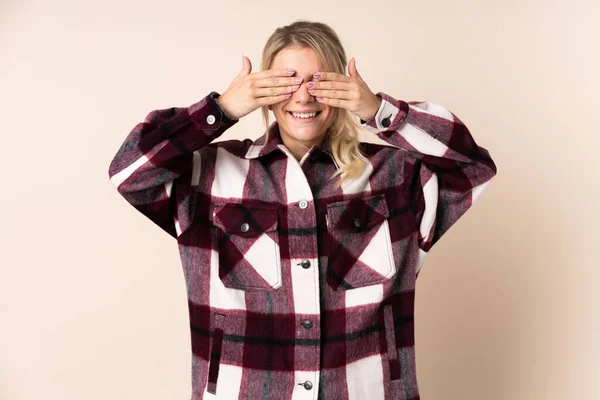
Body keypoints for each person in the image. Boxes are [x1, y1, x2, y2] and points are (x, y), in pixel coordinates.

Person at [108, 19, 497, 400]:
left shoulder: (394, 177)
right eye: (287, 81)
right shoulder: (209, 176)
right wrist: (221, 109)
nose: (303, 97)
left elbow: (473, 166)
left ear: (343, 87)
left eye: (319, 82)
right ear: (262, 89)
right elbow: (129, 172)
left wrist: (378, 110)